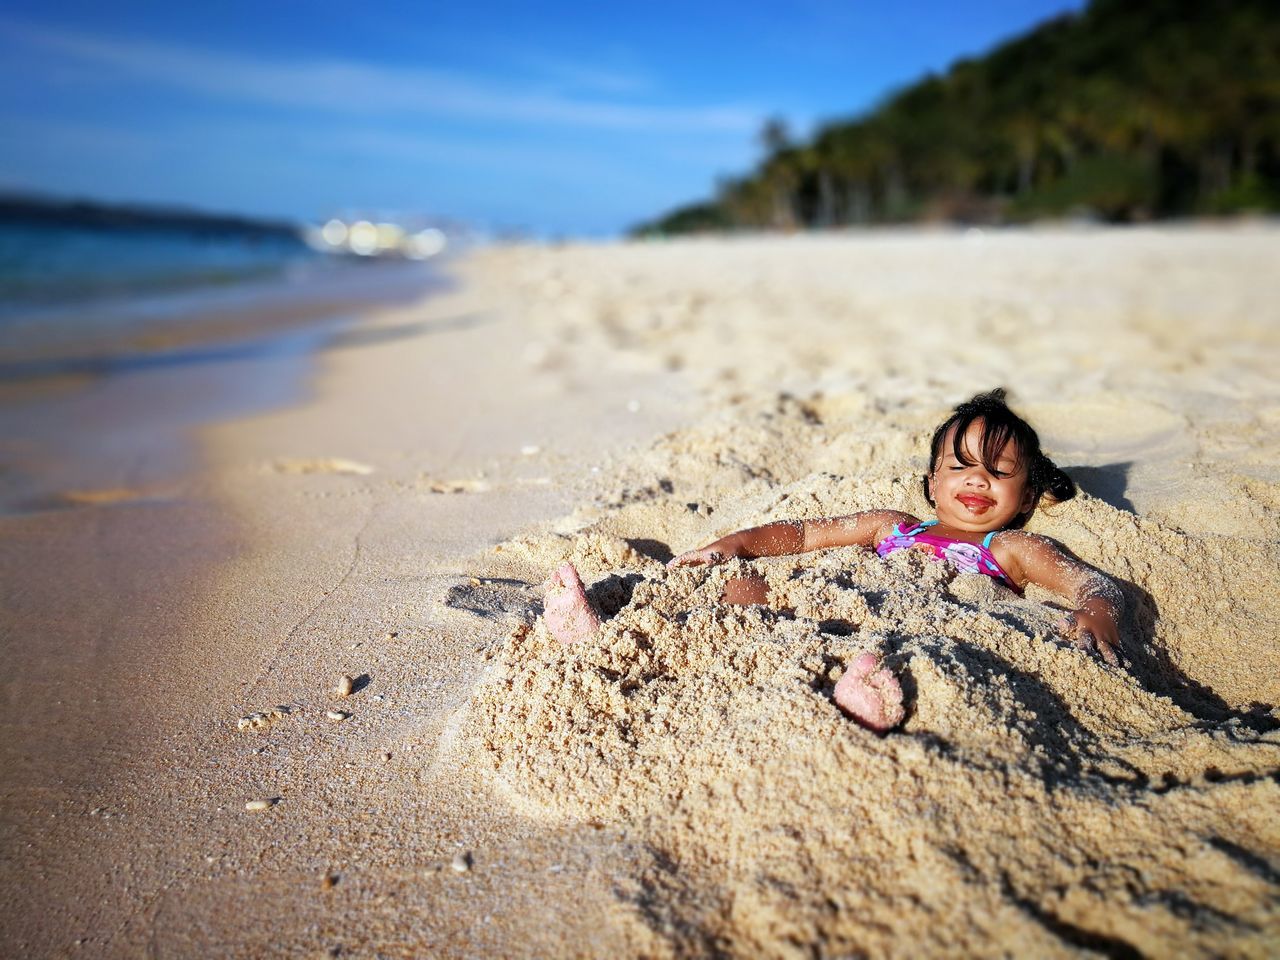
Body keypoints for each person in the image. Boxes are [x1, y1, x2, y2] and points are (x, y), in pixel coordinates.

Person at [543, 389, 1124, 733]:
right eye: (962, 465)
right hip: (820, 609)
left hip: (915, 625)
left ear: (1025, 497)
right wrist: (739, 544)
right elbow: (800, 536)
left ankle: (862, 696)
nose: (977, 478)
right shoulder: (893, 525)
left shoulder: (1009, 548)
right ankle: (612, 633)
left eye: (999, 472)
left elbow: (1088, 583)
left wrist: (1096, 612)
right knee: (739, 590)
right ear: (931, 482)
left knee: (907, 653)